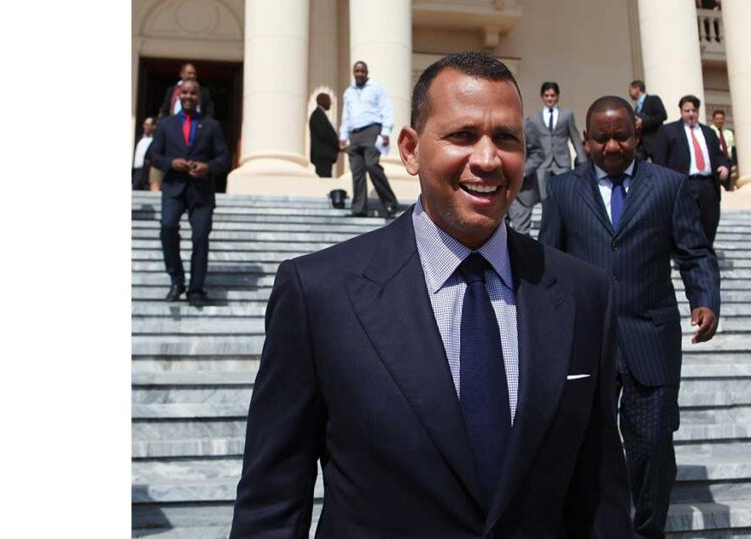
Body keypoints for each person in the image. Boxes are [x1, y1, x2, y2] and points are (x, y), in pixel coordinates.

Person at [231, 51, 632, 538]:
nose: (487, 159)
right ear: (410, 149)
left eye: (506, 139)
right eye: (462, 136)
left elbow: (601, 498)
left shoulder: (585, 294)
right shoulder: (319, 294)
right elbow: (271, 506)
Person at [539, 96, 720, 539]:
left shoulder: (669, 186)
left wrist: (705, 298)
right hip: (586, 340)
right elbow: (547, 261)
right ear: (586, 140)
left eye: (621, 136)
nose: (612, 146)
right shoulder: (563, 190)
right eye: (601, 138)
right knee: (584, 444)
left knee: (652, 445)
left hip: (650, 336)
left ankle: (646, 530)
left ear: (637, 134)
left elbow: (695, 252)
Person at [147, 79, 230, 307]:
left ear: (199, 97)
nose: (189, 97)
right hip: (173, 188)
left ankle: (196, 289)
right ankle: (177, 280)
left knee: (200, 238)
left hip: (201, 192)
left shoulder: (211, 125)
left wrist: (208, 167)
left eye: (193, 93)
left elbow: (224, 158)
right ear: (178, 95)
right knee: (167, 227)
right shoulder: (166, 125)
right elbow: (153, 155)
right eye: (185, 93)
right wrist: (170, 163)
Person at [507, 81, 586, 235]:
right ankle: (549, 231)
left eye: (552, 95)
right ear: (542, 97)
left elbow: (575, 137)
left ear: (558, 96)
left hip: (562, 161)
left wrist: (582, 161)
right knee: (545, 200)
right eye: (547, 96)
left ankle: (567, 228)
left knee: (565, 196)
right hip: (542, 164)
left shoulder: (567, 115)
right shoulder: (535, 118)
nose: (550, 99)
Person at [658, 95, 731, 246]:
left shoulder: (709, 133)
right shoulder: (668, 131)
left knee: (709, 222)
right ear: (681, 111)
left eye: (694, 110)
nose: (691, 114)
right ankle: (686, 253)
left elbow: (719, 156)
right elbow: (661, 160)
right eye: (687, 111)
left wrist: (724, 166)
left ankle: (705, 251)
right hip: (683, 185)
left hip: (708, 185)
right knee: (684, 223)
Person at [338, 60, 399, 217]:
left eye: (362, 71)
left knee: (372, 165)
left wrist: (386, 132)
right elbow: (346, 116)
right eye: (357, 71)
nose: (359, 74)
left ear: (367, 72)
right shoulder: (348, 92)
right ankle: (359, 209)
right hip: (354, 134)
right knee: (357, 171)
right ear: (353, 73)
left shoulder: (376, 88)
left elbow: (386, 109)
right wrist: (343, 136)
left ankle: (390, 204)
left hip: (372, 130)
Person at [627, 80, 667, 163]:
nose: (629, 93)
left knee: (659, 166)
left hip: (655, 142)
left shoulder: (653, 99)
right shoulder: (637, 107)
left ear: (637, 89)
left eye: (630, 90)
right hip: (641, 144)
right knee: (637, 165)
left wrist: (643, 122)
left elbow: (662, 116)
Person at [309, 92, 339, 177]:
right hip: (322, 155)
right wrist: (338, 144)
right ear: (322, 101)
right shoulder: (317, 115)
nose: (330, 103)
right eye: (328, 100)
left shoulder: (320, 115)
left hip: (324, 155)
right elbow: (325, 134)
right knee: (324, 178)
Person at [711, 109, 736, 190]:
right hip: (717, 160)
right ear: (713, 120)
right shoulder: (710, 131)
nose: (720, 121)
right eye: (717, 119)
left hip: (728, 161)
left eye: (722, 119)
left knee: (727, 185)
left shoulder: (729, 133)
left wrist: (734, 162)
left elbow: (732, 148)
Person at [131, 116, 155, 191]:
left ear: (153, 126)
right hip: (136, 170)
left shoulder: (155, 140)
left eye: (147, 125)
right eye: (144, 124)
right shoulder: (139, 138)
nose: (145, 127)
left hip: (146, 171)